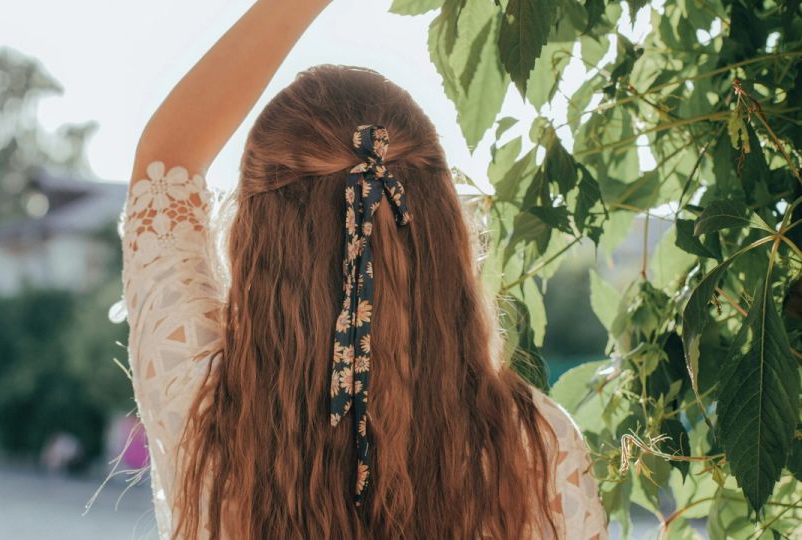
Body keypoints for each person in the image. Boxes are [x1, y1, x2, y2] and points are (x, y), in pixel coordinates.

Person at [119, 1, 607, 538]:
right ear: (444, 227)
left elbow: (168, 161)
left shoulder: (200, 409)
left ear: (253, 237)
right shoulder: (535, 450)